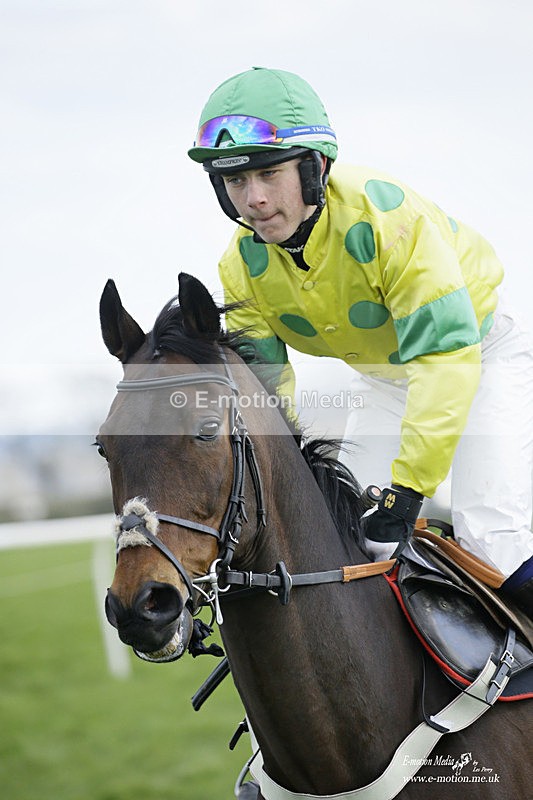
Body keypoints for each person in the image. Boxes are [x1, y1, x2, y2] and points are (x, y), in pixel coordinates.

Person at [188, 66, 533, 617]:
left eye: (268, 174)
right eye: (235, 182)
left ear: (313, 167)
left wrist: (408, 491)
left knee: (492, 537)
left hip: (481, 353)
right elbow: (266, 392)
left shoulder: (389, 221)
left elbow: (445, 360)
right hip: (386, 376)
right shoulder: (240, 265)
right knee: (349, 538)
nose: (252, 199)